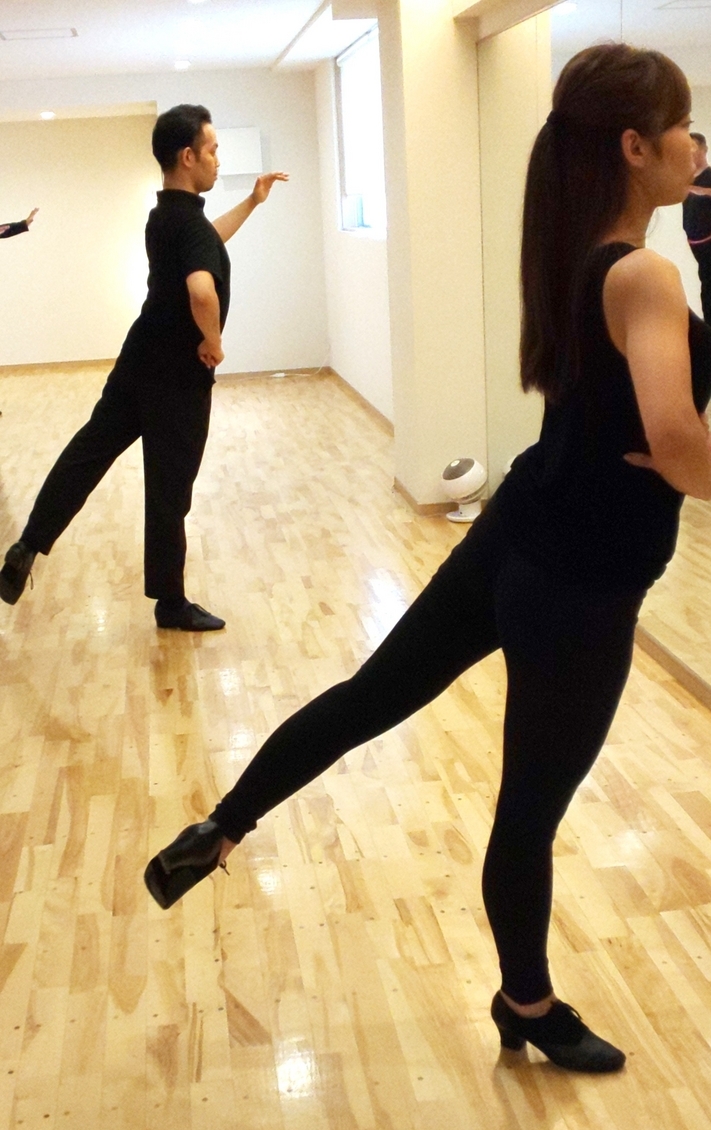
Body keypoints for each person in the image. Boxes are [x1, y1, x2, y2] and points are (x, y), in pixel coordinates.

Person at [145, 45, 711, 1072]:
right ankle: (526, 1004)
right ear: (636, 147)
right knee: (526, 812)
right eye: (683, 127)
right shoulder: (644, 273)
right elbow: (674, 441)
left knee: (372, 695)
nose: (696, 143)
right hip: (584, 579)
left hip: (518, 526)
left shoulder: (577, 253)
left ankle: (220, 828)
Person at [0, 107, 287, 630]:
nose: (218, 160)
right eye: (213, 150)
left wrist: (251, 202)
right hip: (177, 378)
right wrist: (214, 341)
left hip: (139, 361)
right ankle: (170, 603)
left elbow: (206, 242)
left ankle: (28, 545)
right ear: (188, 156)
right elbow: (201, 290)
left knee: (88, 453)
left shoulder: (166, 214)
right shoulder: (188, 224)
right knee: (169, 491)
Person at [683, 131, 711, 323]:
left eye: (693, 147)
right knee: (706, 284)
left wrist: (698, 190)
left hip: (709, 240)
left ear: (704, 149)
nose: (690, 152)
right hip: (695, 242)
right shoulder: (687, 179)